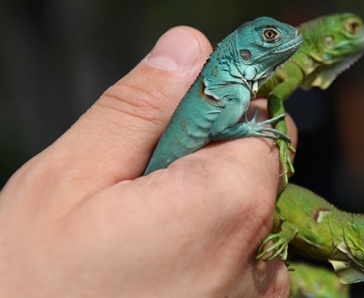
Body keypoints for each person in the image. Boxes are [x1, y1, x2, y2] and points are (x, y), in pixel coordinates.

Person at [0, 26, 297, 297]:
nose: (284, 38)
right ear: (243, 52)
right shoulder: (234, 92)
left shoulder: (234, 88)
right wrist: (250, 129)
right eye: (269, 36)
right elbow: (220, 129)